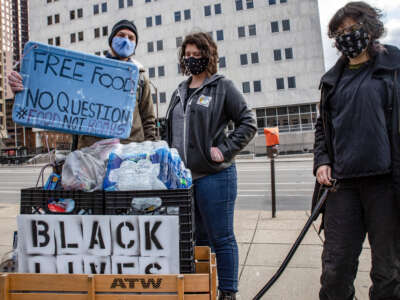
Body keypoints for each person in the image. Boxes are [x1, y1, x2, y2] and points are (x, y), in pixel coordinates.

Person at [313, 2, 400, 299]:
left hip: (386, 185)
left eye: (351, 29)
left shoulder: (394, 69)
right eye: (339, 32)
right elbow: (322, 129)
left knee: (389, 273)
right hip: (343, 187)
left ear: (369, 27)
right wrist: (321, 161)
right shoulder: (332, 81)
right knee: (335, 271)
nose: (346, 36)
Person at [162, 32, 256, 300]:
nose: (192, 59)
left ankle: (227, 292)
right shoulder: (179, 92)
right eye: (188, 55)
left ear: (208, 55)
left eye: (197, 54)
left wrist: (224, 149)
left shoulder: (222, 87)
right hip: (184, 180)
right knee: (197, 239)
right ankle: (203, 289)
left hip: (215, 176)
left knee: (221, 237)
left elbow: (248, 122)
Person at [8, 19, 156, 148]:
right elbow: (58, 96)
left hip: (130, 153)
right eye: (121, 35)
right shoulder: (88, 72)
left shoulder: (141, 78)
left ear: (135, 45)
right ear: (111, 40)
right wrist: (25, 88)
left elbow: (148, 121)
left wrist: (153, 152)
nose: (126, 40)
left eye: (131, 38)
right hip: (91, 152)